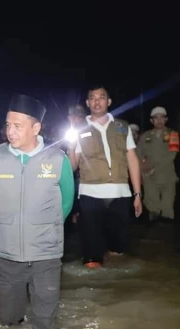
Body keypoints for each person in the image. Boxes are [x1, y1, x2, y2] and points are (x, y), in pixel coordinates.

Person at [0, 93, 75, 329]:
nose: (10, 131)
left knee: (45, 328)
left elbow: (66, 202)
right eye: (8, 125)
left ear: (36, 127)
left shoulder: (57, 160)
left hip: (45, 255)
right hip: (6, 255)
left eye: (18, 126)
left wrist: (44, 228)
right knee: (8, 323)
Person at [67, 84, 143, 268]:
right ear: (87, 103)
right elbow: (72, 166)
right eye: (92, 98)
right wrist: (70, 145)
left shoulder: (122, 127)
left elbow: (132, 159)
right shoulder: (79, 130)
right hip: (90, 195)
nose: (97, 101)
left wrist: (138, 195)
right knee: (92, 259)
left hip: (121, 195)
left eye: (101, 97)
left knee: (118, 253)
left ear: (108, 101)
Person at [137, 106, 180, 222]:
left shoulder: (173, 134)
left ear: (166, 119)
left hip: (167, 176)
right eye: (156, 118)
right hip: (149, 177)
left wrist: (154, 168)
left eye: (162, 117)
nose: (159, 120)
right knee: (152, 209)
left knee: (167, 208)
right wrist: (143, 169)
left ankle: (168, 235)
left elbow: (172, 155)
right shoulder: (145, 136)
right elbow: (138, 155)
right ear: (151, 121)